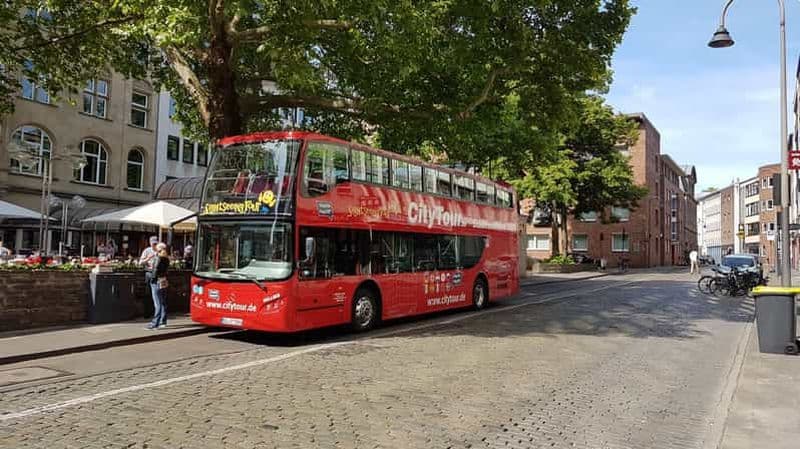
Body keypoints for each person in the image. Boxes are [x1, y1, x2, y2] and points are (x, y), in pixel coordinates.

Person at [147, 243, 170, 329]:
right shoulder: (166, 259)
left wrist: (152, 279)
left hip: (157, 281)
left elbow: (155, 270)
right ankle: (163, 321)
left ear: (158, 250)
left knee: (157, 303)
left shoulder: (158, 258)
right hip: (164, 280)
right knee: (163, 302)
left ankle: (155, 323)